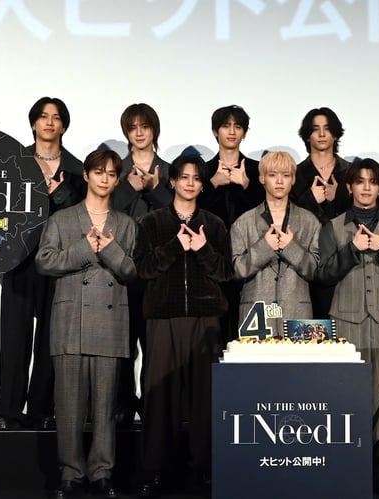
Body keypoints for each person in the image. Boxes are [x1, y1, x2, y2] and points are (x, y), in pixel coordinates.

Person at [0, 96, 86, 430]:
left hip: (59, 262)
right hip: (17, 260)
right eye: (43, 116)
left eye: (56, 117)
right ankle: (6, 411)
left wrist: (58, 196)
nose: (49, 122)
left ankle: (41, 411)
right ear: (33, 122)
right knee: (14, 338)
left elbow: (82, 217)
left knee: (50, 340)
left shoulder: (77, 169)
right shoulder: (13, 159)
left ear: (64, 125)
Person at [36, 148, 137, 499]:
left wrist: (109, 249)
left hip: (110, 321)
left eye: (111, 174)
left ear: (117, 180)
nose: (104, 179)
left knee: (106, 406)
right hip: (71, 320)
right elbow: (44, 262)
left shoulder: (126, 224)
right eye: (98, 172)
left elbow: (133, 271)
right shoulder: (62, 220)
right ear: (88, 176)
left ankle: (102, 472)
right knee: (68, 405)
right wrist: (84, 249)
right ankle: (70, 472)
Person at [135, 154, 233, 497]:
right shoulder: (152, 222)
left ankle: (204, 470)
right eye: (184, 177)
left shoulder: (215, 224)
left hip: (205, 317)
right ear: (173, 181)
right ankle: (155, 471)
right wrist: (176, 246)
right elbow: (143, 269)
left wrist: (203, 249)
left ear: (202, 185)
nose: (190, 183)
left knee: (205, 398)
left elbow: (225, 272)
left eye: (196, 178)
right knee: (159, 397)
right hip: (164, 317)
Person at [318, 158, 379, 497]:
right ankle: (350, 463)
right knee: (347, 393)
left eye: (373, 181)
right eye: (360, 181)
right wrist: (351, 250)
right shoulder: (332, 227)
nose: (367, 187)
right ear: (349, 187)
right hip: (346, 317)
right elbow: (323, 274)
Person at [111, 103, 173, 425]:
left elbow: (178, 214)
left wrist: (154, 189)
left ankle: (152, 403)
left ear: (154, 130)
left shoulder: (169, 169)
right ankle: (123, 402)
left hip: (158, 268)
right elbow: (105, 208)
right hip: (120, 266)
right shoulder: (116, 169)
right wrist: (128, 187)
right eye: (132, 127)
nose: (139, 133)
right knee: (123, 342)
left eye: (144, 126)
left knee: (154, 343)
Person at [230, 151, 320, 337]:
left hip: (297, 315)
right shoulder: (243, 223)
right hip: (256, 316)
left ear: (293, 179)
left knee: (299, 358)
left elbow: (316, 271)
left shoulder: (309, 221)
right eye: (272, 175)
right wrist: (264, 247)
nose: (279, 181)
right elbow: (236, 270)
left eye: (285, 175)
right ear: (262, 178)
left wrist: (291, 248)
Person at [199, 104, 265, 342]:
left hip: (250, 257)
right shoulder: (203, 171)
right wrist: (211, 184)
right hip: (210, 258)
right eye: (226, 126)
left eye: (238, 126)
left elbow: (269, 211)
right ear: (215, 131)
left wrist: (247, 185)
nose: (232, 131)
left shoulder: (257, 170)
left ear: (244, 133)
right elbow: (190, 210)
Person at [291, 107, 352, 319]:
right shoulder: (295, 174)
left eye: (327, 128)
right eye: (316, 129)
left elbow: (365, 214)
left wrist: (339, 197)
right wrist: (310, 199)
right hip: (306, 262)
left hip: (345, 260)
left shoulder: (351, 172)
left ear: (335, 134)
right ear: (308, 136)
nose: (322, 134)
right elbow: (286, 217)